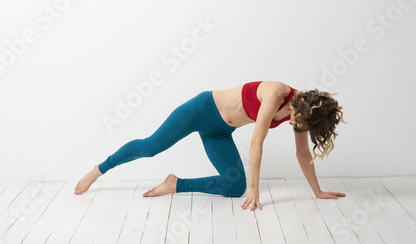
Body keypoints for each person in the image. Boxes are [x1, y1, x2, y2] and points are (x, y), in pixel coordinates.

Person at [74, 81, 346, 211]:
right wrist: (255, 188)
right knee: (150, 147)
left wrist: (317, 190)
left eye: (300, 124)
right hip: (201, 110)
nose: (295, 124)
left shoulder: (304, 114)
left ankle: (175, 184)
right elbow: (256, 142)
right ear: (299, 104)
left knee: (234, 187)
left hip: (220, 131)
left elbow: (302, 153)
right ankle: (98, 170)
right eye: (297, 119)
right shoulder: (276, 93)